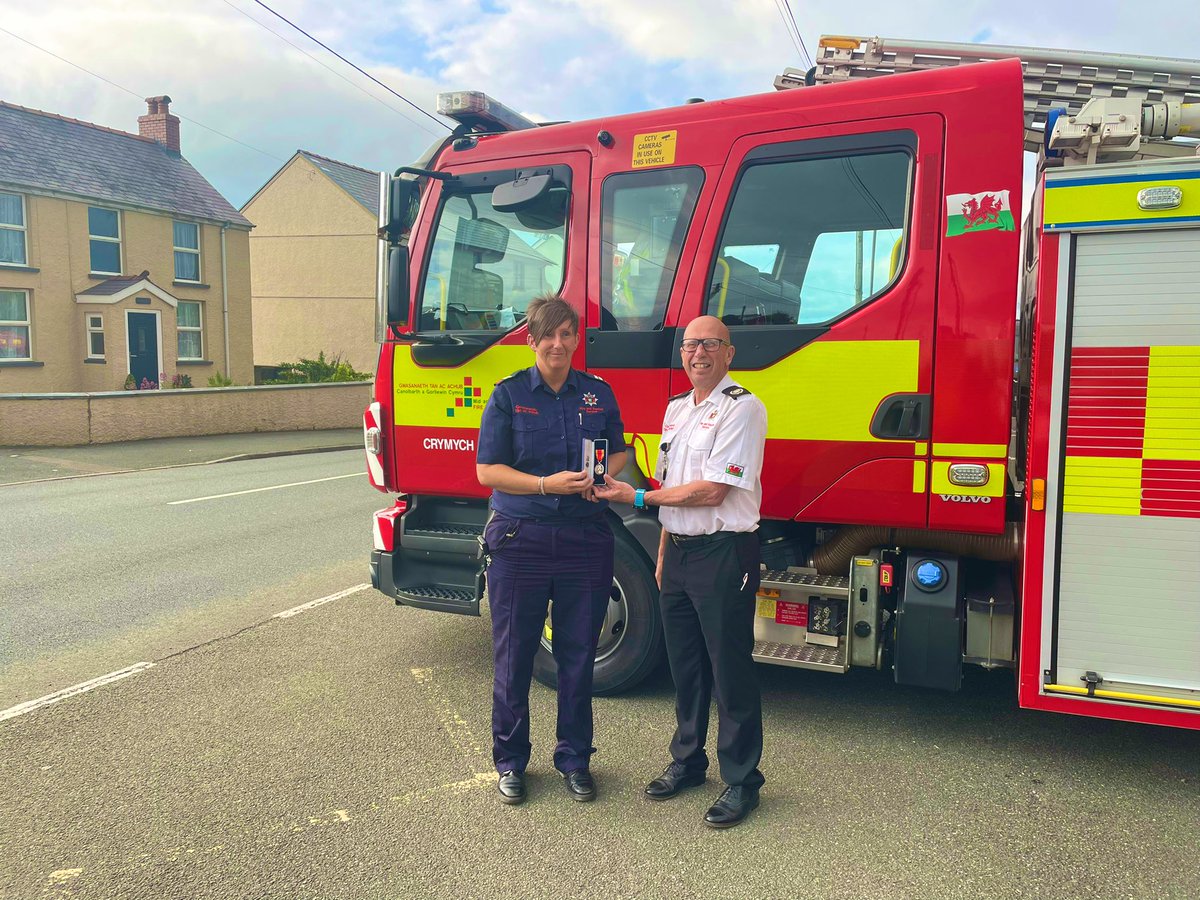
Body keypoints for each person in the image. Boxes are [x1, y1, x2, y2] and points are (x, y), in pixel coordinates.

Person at [595, 315, 767, 828]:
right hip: (680, 554)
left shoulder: (743, 408)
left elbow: (713, 491)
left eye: (710, 344)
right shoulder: (675, 410)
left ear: (728, 353)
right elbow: (674, 487)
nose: (698, 353)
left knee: (729, 669)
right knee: (685, 666)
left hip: (724, 552)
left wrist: (638, 498)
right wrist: (664, 550)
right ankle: (689, 760)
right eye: (691, 345)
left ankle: (742, 780)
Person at [476, 293, 627, 806]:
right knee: (514, 656)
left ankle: (575, 759)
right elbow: (487, 470)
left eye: (566, 334)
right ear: (531, 339)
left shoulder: (598, 393)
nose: (557, 344)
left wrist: (601, 478)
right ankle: (511, 761)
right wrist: (545, 484)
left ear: (577, 339)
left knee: (578, 655)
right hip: (522, 539)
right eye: (548, 335)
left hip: (585, 538)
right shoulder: (508, 395)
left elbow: (618, 452)